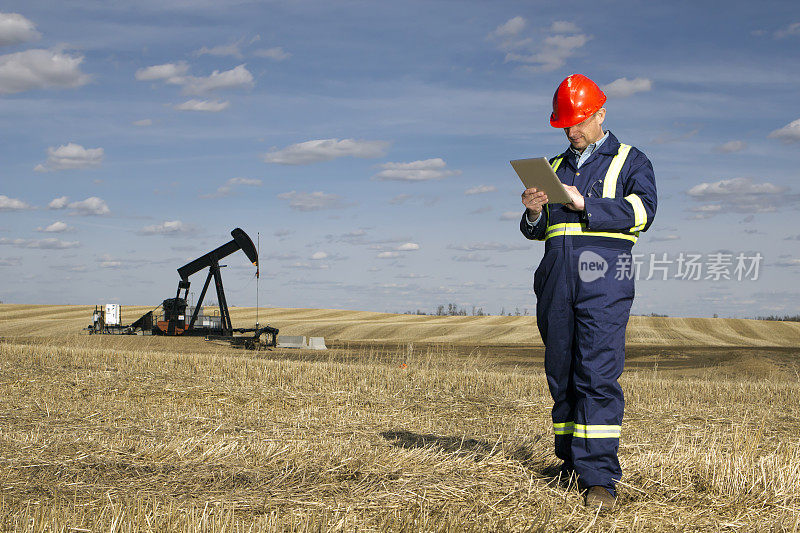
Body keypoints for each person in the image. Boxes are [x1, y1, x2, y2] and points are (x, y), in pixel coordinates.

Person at [519, 73, 657, 510]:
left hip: (604, 281)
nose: (572, 132)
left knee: (596, 375)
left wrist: (586, 205)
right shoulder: (555, 167)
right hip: (557, 278)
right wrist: (533, 211)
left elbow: (643, 212)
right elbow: (540, 232)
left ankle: (599, 478)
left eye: (579, 123)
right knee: (561, 374)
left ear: (601, 115)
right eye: (565, 125)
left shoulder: (631, 160)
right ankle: (569, 463)